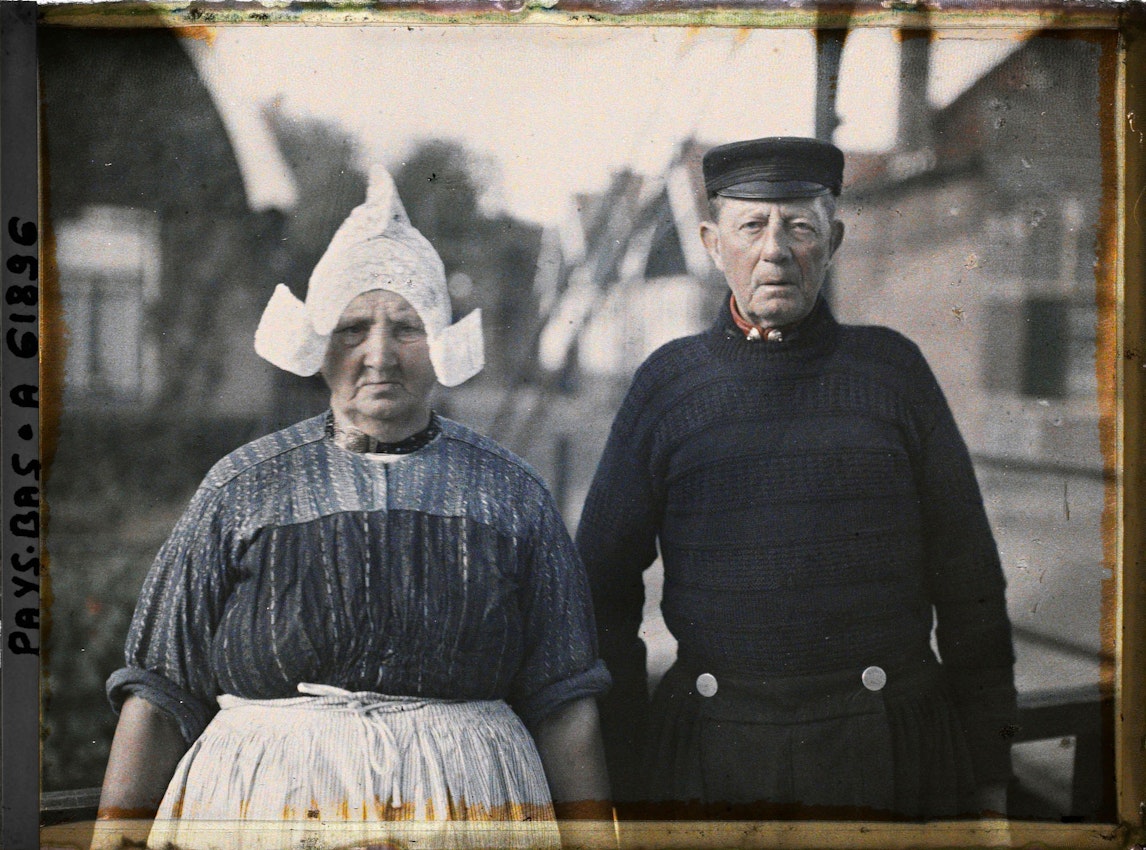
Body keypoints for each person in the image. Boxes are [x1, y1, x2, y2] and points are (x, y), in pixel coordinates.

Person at [95, 169, 611, 850]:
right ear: (316, 344)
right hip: (267, 818)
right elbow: (156, 698)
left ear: (442, 341)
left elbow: (566, 707)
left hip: (465, 817)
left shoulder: (510, 495)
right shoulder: (242, 489)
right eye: (353, 327)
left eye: (407, 327)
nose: (379, 356)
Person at [576, 137, 1016, 820]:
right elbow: (599, 590)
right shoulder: (668, 385)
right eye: (751, 225)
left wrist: (988, 777)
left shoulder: (893, 373)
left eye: (799, 226)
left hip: (889, 753)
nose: (774, 249)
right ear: (713, 241)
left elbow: (972, 587)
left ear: (832, 239)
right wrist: (628, 758)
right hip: (712, 757)